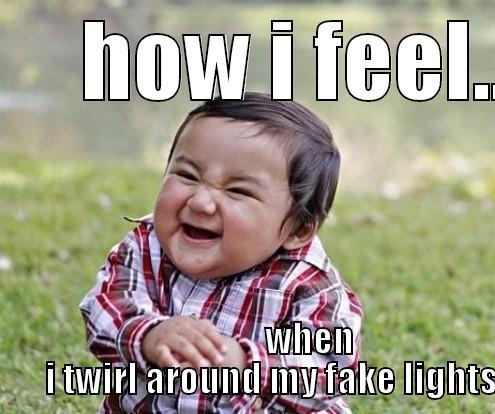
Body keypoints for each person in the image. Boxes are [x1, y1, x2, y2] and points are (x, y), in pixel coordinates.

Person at [79, 92, 363, 413]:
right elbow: (104, 309)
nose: (201, 202)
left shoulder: (310, 285)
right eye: (187, 175)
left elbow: (331, 369)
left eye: (238, 190)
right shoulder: (145, 246)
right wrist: (149, 335)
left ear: (297, 230)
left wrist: (244, 363)